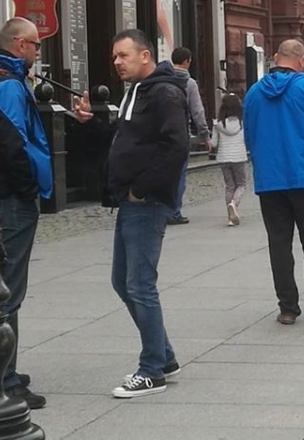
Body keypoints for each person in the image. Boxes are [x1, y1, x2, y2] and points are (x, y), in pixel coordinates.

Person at [72, 29, 189, 398]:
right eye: (115, 57)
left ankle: (151, 370)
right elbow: (124, 139)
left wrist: (143, 188)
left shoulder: (164, 92)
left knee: (139, 284)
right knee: (123, 281)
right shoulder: (137, 91)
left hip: (145, 201)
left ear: (145, 56)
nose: (117, 62)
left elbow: (177, 147)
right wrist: (91, 124)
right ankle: (164, 357)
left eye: (123, 55)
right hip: (130, 198)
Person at [243, 40, 304, 326]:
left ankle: (287, 308)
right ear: (302, 61)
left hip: (270, 179)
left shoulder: (254, 93)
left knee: (279, 245)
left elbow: (249, 135)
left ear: (276, 58)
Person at [0, 18, 52, 409]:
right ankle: (4, 378)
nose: (38, 52)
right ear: (20, 45)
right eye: (36, 45)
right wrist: (28, 189)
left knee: (0, 284)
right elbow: (14, 145)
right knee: (9, 289)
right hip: (11, 199)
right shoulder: (7, 85)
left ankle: (3, 369)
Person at [169, 47, 211, 225]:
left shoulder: (163, 79)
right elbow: (197, 111)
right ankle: (174, 212)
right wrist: (205, 135)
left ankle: (161, 209)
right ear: (187, 61)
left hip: (160, 135)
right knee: (179, 175)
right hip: (180, 134)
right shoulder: (189, 83)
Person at [211, 93, 248, 227]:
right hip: (239, 157)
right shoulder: (243, 123)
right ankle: (234, 204)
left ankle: (230, 217)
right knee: (241, 184)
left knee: (230, 186)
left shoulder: (217, 124)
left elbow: (214, 143)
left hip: (224, 157)